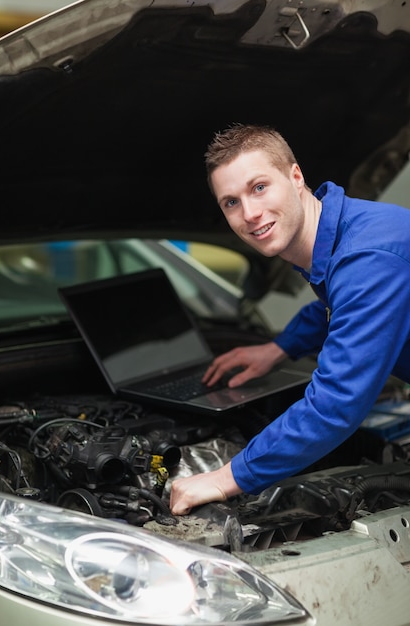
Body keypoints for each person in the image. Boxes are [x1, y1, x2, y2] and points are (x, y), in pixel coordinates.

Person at [169, 123, 410, 515]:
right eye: (231, 202)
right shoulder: (342, 235)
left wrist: (225, 478)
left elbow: (335, 406)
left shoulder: (368, 257)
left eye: (259, 187)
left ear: (295, 176)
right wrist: (278, 348)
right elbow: (337, 303)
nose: (250, 213)